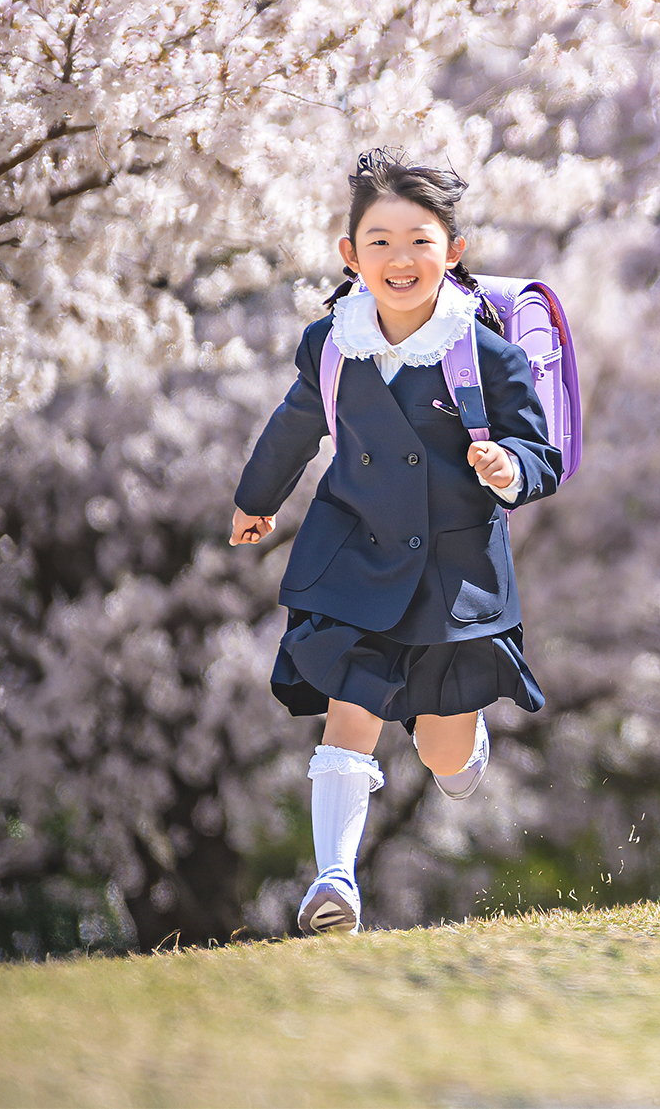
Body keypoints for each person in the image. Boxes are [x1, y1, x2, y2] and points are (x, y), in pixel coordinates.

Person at [230, 150, 562, 935]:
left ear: (453, 250)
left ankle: (460, 741)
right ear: (350, 256)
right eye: (378, 241)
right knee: (350, 707)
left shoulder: (484, 352)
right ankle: (335, 882)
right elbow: (295, 427)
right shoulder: (333, 343)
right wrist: (255, 499)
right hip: (357, 553)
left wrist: (506, 464)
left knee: (444, 756)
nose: (400, 259)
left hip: (452, 573)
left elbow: (541, 455)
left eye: (419, 240)